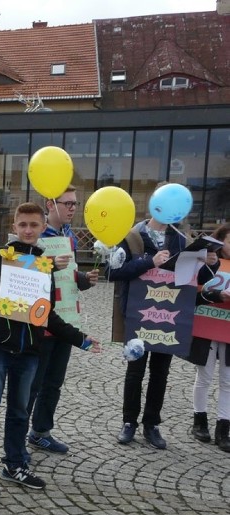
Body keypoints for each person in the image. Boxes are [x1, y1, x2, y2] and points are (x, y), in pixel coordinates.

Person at [0, 202, 100, 500]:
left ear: (41, 229)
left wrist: (81, 339)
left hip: (29, 351)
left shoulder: (43, 265)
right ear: (13, 227)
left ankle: (14, 464)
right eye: (22, 225)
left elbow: (47, 314)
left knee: (18, 413)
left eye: (33, 225)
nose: (27, 230)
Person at [107, 185, 188, 449]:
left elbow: (192, 278)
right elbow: (115, 272)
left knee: (160, 372)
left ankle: (151, 424)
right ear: (156, 203)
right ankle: (129, 421)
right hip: (138, 312)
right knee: (135, 370)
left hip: (169, 313)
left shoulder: (181, 238)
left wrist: (207, 263)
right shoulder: (132, 235)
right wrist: (149, 263)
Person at [26, 186, 99, 454]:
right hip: (40, 320)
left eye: (75, 204)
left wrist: (84, 280)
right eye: (67, 203)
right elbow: (23, 271)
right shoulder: (35, 235)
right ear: (50, 205)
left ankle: (41, 432)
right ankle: (17, 436)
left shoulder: (69, 237)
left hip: (66, 320)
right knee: (33, 384)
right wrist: (48, 265)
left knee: (54, 382)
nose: (72, 209)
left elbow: (68, 277)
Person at [187, 222, 230, 451]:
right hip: (206, 324)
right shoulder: (209, 263)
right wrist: (214, 295)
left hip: (228, 330)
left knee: (228, 381)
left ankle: (224, 428)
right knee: (204, 376)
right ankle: (199, 421)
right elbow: (192, 290)